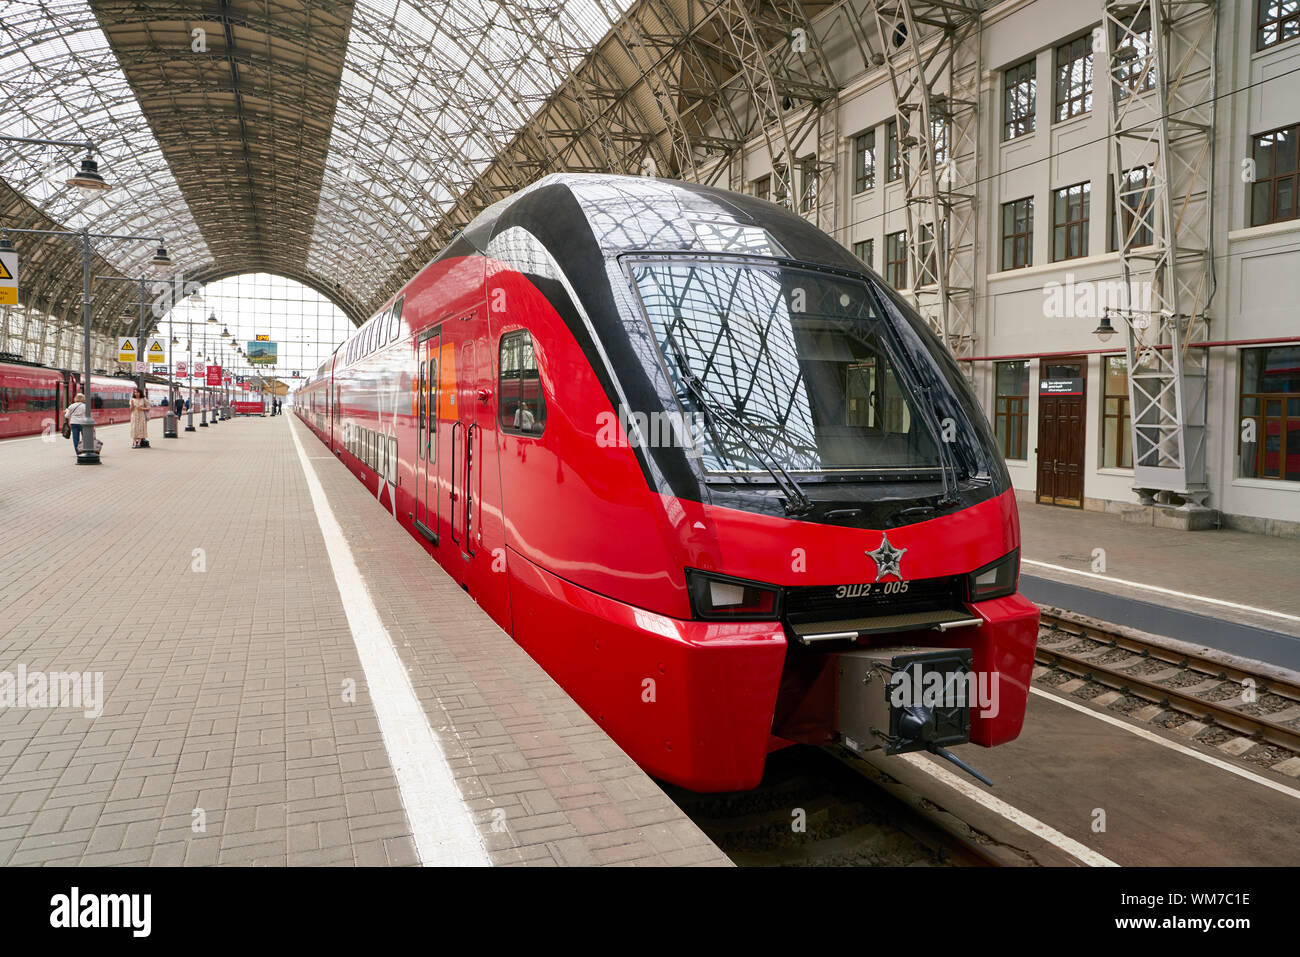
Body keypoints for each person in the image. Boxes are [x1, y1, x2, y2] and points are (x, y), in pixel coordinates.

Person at [64, 392, 93, 456]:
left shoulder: (72, 406)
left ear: (75, 398)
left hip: (74, 423)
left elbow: (66, 416)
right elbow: (89, 416)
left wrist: (66, 411)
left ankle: (78, 453)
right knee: (84, 438)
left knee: (75, 439)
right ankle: (83, 451)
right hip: (83, 423)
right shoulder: (85, 406)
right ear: (83, 399)